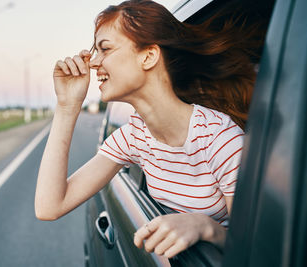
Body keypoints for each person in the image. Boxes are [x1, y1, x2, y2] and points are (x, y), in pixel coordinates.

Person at [35, 0, 269, 259]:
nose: (93, 63)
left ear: (148, 56)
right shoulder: (135, 137)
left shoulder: (220, 140)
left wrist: (206, 228)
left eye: (105, 49)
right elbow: (49, 207)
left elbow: (255, 251)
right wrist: (67, 106)